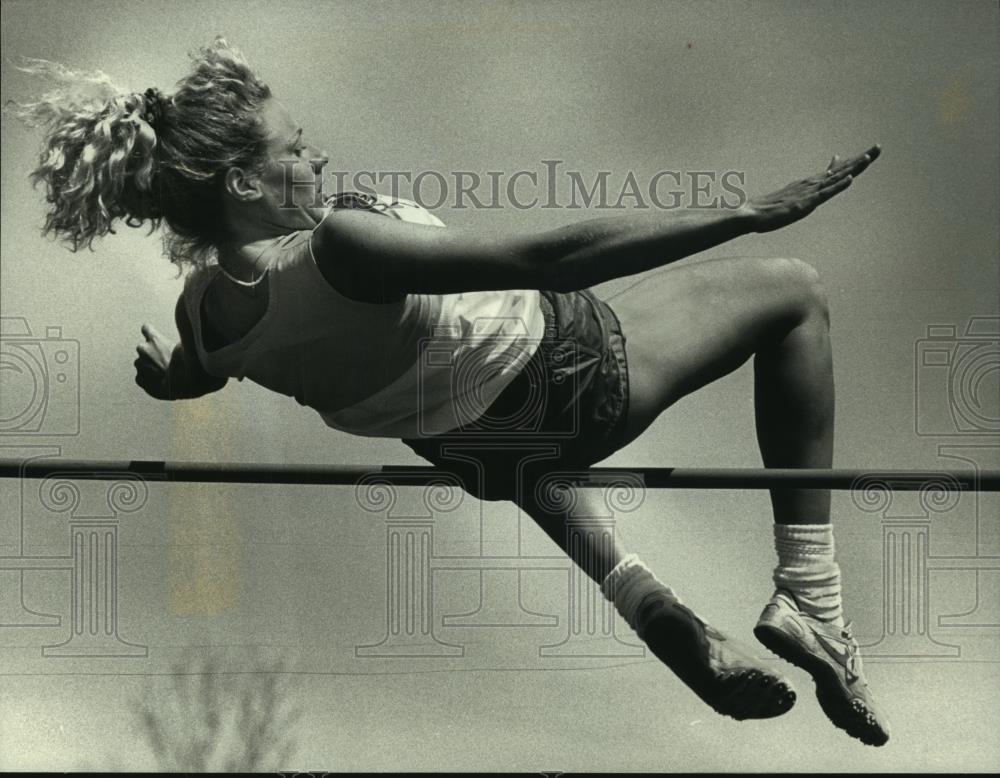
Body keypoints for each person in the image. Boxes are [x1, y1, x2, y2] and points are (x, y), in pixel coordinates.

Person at [11, 38, 888, 746]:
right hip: (573, 379)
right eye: (294, 148)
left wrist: (171, 382)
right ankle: (812, 596)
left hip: (483, 450)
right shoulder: (342, 248)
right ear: (243, 184)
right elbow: (543, 259)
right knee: (794, 290)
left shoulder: (202, 311)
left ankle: (651, 606)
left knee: (483, 421)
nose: (316, 154)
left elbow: (197, 372)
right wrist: (741, 215)